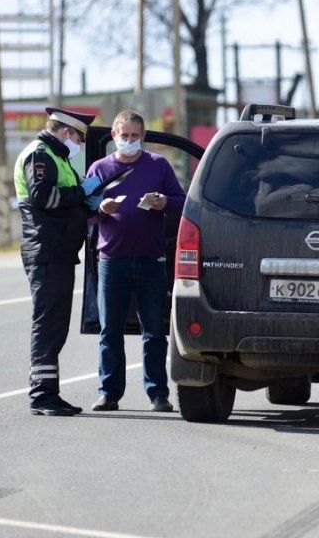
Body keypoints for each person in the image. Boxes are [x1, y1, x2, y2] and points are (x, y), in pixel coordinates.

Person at [86, 110, 185, 413]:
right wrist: (101, 208)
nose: (129, 141)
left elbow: (182, 202)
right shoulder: (100, 168)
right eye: (124, 135)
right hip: (111, 260)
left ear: (142, 136)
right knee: (109, 331)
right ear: (113, 136)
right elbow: (84, 209)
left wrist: (164, 202)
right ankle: (109, 393)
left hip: (150, 260)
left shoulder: (158, 165)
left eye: (134, 136)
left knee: (154, 331)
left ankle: (158, 394)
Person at [14, 107, 102, 416]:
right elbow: (44, 197)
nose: (80, 143)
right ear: (66, 132)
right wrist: (80, 192)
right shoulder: (40, 155)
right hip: (46, 251)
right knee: (48, 323)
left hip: (58, 252)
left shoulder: (58, 158)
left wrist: (90, 204)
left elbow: (66, 201)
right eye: (79, 137)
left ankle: (48, 392)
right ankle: (42, 395)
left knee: (55, 325)